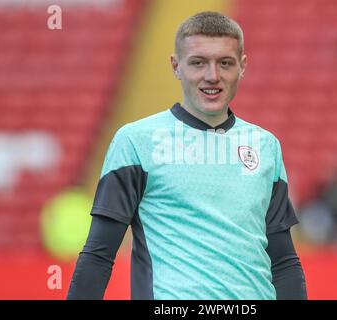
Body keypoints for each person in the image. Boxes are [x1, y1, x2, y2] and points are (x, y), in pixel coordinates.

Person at [67, 11, 307, 300]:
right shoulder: (136, 141)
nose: (212, 76)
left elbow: (282, 262)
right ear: (176, 65)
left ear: (242, 66)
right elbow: (99, 254)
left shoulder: (265, 146)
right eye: (198, 63)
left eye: (225, 63)